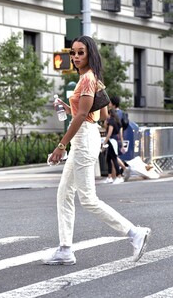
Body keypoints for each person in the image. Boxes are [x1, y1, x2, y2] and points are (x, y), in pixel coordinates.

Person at [41, 36, 151, 266]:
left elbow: (83, 116)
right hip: (85, 137)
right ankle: (65, 249)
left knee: (88, 199)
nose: (76, 57)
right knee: (64, 193)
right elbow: (99, 115)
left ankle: (134, 233)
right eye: (73, 53)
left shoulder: (88, 79)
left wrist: (61, 146)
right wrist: (68, 107)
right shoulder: (90, 78)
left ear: (90, 54)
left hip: (82, 139)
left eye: (81, 52)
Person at [109, 96, 130, 181]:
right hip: (119, 136)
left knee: (113, 157)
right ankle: (114, 177)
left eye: (110, 102)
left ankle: (123, 170)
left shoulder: (114, 114)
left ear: (113, 104)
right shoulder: (122, 113)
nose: (109, 104)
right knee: (112, 157)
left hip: (114, 137)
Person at [103, 108, 124, 184]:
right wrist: (122, 144)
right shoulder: (117, 122)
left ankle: (119, 176)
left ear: (110, 114)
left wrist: (104, 142)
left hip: (111, 141)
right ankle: (109, 177)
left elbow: (109, 133)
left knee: (114, 158)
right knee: (108, 158)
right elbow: (121, 135)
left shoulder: (111, 122)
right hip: (116, 140)